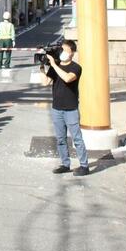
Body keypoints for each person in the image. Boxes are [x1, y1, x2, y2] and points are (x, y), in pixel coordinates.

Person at [39, 39, 90, 176]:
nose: (62, 52)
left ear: (72, 53)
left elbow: (67, 78)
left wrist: (54, 65)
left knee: (77, 139)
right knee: (61, 139)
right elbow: (45, 82)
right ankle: (65, 164)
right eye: (61, 49)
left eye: (65, 50)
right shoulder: (56, 66)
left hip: (71, 108)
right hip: (57, 108)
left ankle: (84, 166)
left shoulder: (76, 67)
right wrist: (42, 67)